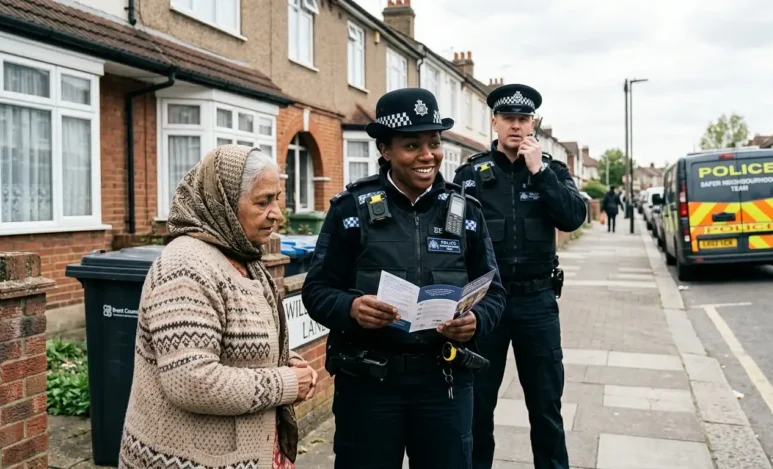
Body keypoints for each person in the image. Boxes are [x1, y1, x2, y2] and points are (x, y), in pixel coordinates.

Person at [301, 87, 507, 469]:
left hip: (445, 384)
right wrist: (351, 308)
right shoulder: (350, 210)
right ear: (385, 149)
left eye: (434, 143)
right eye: (412, 145)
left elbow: (495, 292)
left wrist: (477, 321)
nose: (428, 155)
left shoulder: (466, 212)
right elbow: (316, 290)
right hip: (369, 386)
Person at [118, 145, 317, 469]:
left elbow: (238, 346)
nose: (277, 214)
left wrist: (285, 360)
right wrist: (285, 383)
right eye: (263, 202)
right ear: (222, 202)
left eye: (277, 199)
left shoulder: (241, 256)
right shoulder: (185, 268)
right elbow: (191, 381)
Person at [453, 83, 588, 469]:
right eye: (508, 118)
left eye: (524, 119)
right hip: (485, 306)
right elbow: (450, 237)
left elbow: (573, 217)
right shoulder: (470, 175)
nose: (516, 126)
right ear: (494, 122)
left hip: (537, 303)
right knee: (477, 408)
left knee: (546, 407)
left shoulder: (552, 171)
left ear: (534, 124)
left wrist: (539, 172)